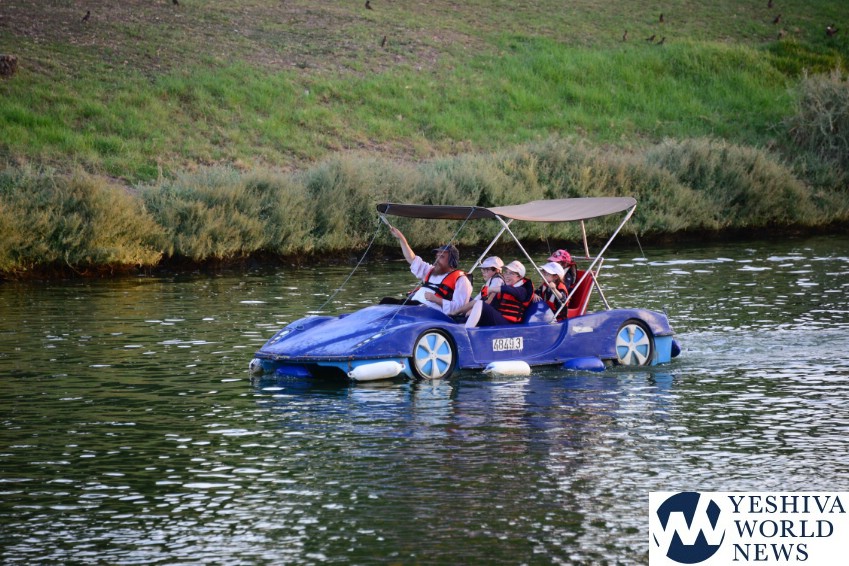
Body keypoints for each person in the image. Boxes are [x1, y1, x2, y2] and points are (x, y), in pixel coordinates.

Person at [380, 225, 472, 315]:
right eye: (437, 256)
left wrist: (437, 300)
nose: (437, 259)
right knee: (386, 301)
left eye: (441, 257)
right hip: (415, 306)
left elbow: (460, 308)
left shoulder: (462, 280)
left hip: (430, 313)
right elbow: (411, 259)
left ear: (451, 261)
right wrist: (401, 238)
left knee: (399, 306)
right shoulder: (431, 271)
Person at [465, 260, 534, 328]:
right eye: (506, 272)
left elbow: (509, 290)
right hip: (500, 319)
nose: (507, 276)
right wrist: (475, 310)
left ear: (519, 277)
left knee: (480, 303)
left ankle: (467, 330)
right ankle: (464, 321)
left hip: (509, 324)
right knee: (478, 304)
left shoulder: (522, 290)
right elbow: (492, 305)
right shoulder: (504, 290)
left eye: (511, 273)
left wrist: (490, 289)